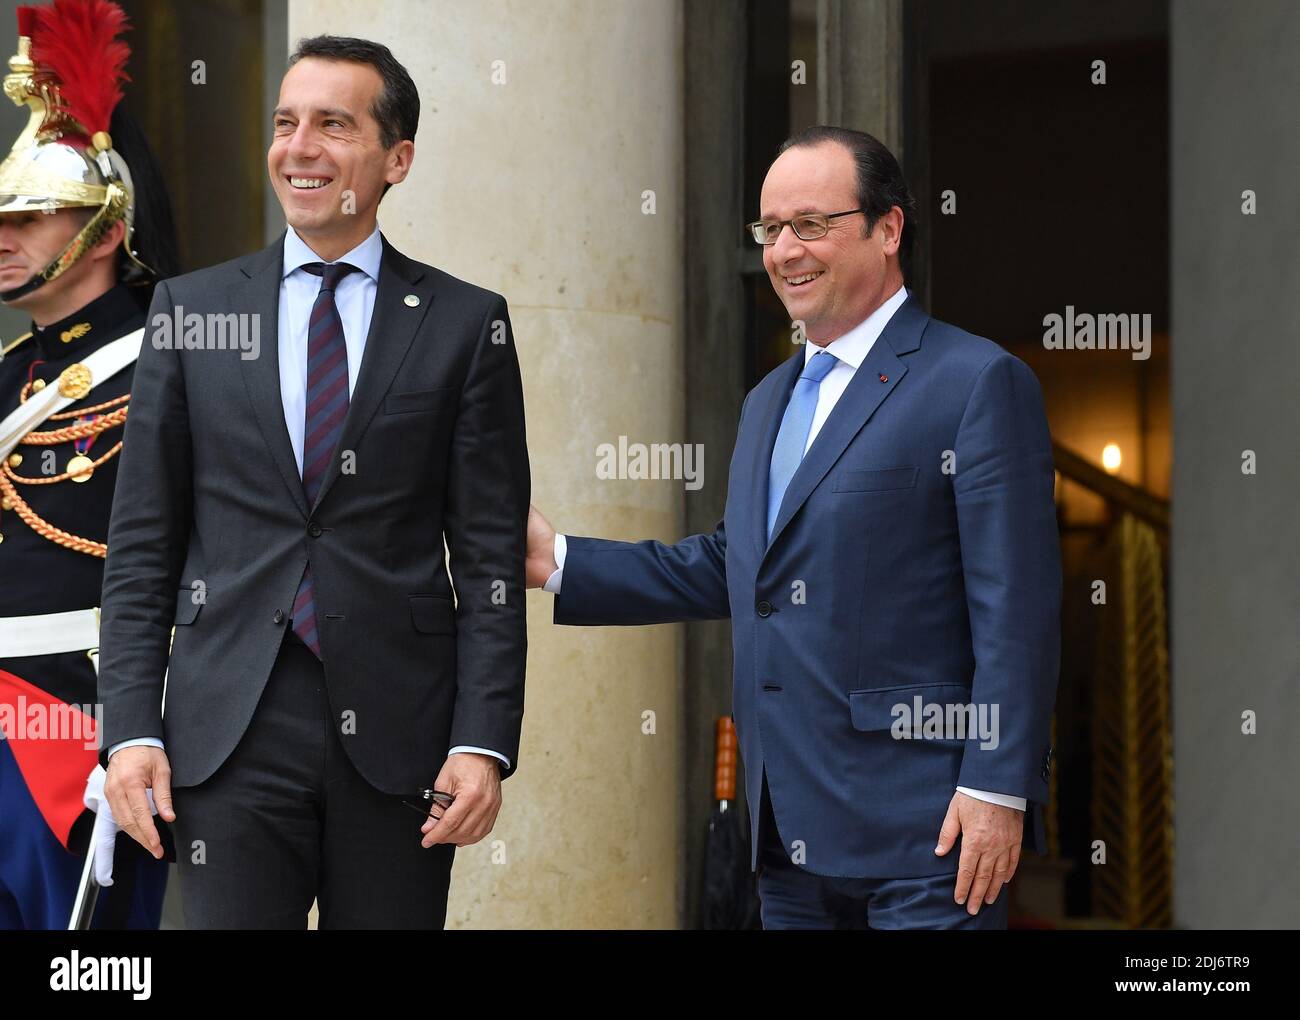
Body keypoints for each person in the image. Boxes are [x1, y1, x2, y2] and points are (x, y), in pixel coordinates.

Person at [527, 126, 1061, 930]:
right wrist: (559, 560)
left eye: (810, 224)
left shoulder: (977, 381)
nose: (784, 251)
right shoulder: (769, 398)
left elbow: (1015, 607)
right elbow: (738, 564)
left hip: (932, 839)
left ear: (888, 230)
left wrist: (996, 789)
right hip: (785, 839)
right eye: (769, 229)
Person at [98, 35, 529, 929]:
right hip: (224, 735)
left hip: (403, 740)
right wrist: (130, 729)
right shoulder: (192, 311)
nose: (300, 147)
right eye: (286, 122)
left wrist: (484, 740)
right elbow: (142, 544)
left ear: (396, 159)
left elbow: (489, 557)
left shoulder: (463, 323)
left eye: (334, 125)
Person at [0, 0, 179, 930]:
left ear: (106, 230)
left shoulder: (173, 362)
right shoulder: (8, 377)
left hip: (85, 724)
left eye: (31, 217)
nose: (3, 236)